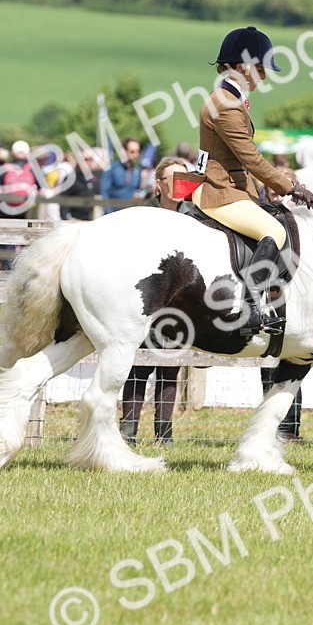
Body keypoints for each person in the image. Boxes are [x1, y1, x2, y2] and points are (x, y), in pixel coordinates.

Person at [190, 25, 313, 335]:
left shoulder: (231, 98)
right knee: (273, 231)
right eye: (259, 68)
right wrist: (291, 188)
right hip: (220, 193)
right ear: (237, 66)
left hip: (232, 189)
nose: (264, 76)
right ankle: (247, 309)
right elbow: (251, 159)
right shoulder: (225, 104)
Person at [120, 156, 188, 446]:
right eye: (171, 180)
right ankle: (128, 431)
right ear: (158, 184)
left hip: (182, 303)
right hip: (146, 301)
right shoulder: (141, 216)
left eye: (183, 180)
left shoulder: (195, 218)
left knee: (170, 368)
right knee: (138, 368)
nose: (177, 186)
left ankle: (164, 432)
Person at [100, 137, 143, 206]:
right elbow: (104, 192)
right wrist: (109, 213)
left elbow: (137, 192)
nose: (136, 155)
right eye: (132, 151)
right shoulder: (111, 169)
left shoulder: (138, 170)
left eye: (138, 151)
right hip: (114, 212)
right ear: (124, 151)